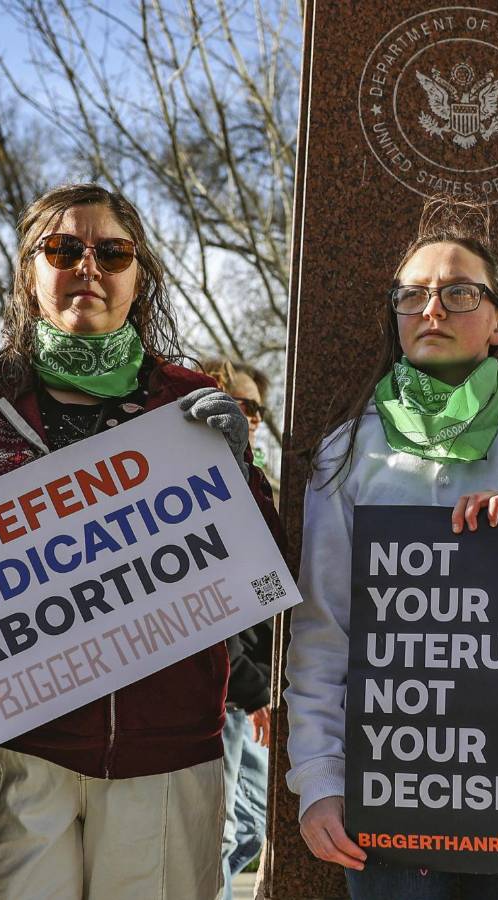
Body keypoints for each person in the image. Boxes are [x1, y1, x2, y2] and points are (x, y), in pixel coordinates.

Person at [0, 183, 280, 899]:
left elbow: (260, 573)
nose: (88, 267)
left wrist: (241, 475)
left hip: (169, 758)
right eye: (63, 249)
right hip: (15, 756)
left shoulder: (187, 403)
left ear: (140, 277)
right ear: (29, 272)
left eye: (113, 252)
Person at [285, 196, 498, 900]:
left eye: (458, 292)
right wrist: (317, 781)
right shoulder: (348, 451)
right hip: (390, 787)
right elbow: (323, 630)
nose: (431, 308)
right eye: (411, 295)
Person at [203, 357, 275, 898]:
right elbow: (207, 609)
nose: (253, 419)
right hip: (224, 693)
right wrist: (252, 689)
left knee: (249, 825)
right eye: (244, 406)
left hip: (252, 692)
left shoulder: (257, 486)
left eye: (258, 410)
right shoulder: (201, 486)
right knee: (221, 835)